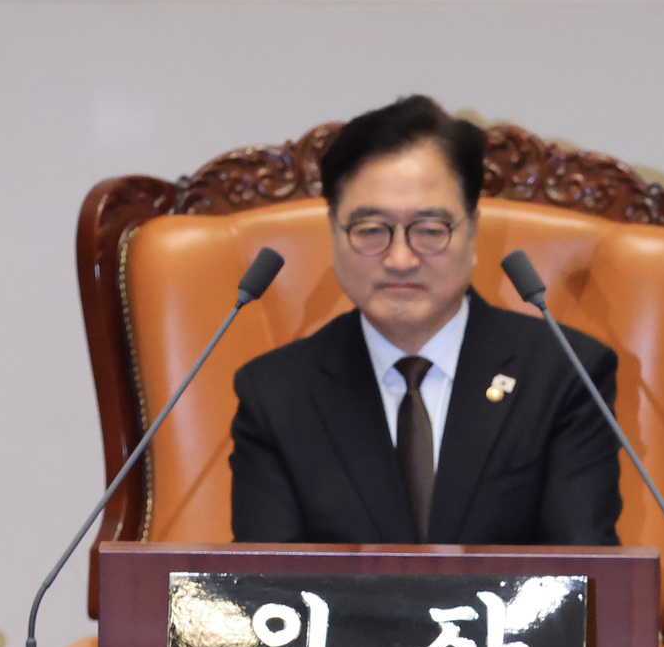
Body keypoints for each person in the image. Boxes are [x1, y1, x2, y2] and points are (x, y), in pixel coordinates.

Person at [229, 95, 622, 547]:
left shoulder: (565, 375)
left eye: (430, 230)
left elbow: (585, 572)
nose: (400, 260)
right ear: (334, 233)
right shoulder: (276, 394)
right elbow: (267, 581)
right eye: (371, 230)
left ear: (473, 230)